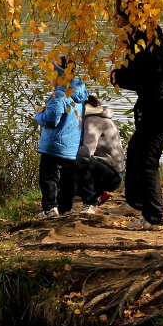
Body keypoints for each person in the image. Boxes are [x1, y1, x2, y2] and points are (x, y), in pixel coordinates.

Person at [110, 0, 163, 229]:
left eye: (118, 13)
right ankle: (135, 201)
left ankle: (155, 218)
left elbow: (147, 77)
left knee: (147, 161)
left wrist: (117, 76)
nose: (114, 17)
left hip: (159, 107)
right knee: (135, 152)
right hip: (154, 105)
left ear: (129, 15)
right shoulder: (144, 35)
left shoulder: (146, 38)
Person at [33, 62, 88, 217]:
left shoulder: (59, 95)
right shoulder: (79, 95)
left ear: (59, 76)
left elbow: (51, 120)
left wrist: (39, 115)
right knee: (67, 178)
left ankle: (49, 208)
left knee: (48, 177)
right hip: (71, 145)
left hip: (54, 145)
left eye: (51, 74)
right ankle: (64, 208)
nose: (49, 78)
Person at [76, 95, 124, 214]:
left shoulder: (92, 121)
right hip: (110, 171)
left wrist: (63, 152)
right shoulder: (97, 117)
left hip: (112, 176)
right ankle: (99, 193)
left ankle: (90, 203)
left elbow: (87, 151)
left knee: (76, 161)